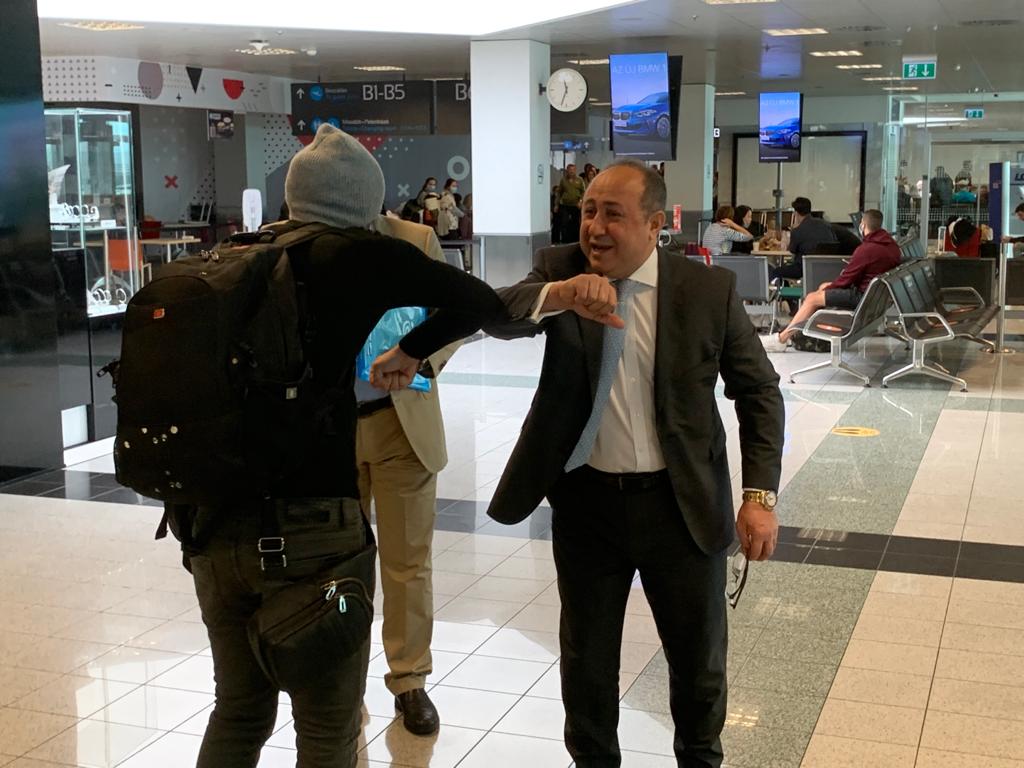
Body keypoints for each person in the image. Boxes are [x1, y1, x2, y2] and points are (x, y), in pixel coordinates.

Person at [372, 159, 785, 767]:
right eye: (589, 210)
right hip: (588, 505)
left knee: (699, 666)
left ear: (655, 225)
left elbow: (759, 391)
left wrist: (759, 497)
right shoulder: (561, 267)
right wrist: (558, 296)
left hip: (682, 507)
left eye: (613, 214)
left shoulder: (706, 290)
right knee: (587, 664)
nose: (594, 226)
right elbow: (493, 312)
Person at [177, 124, 505, 768]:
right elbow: (481, 303)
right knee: (328, 726)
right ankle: (346, 687)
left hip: (236, 508)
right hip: (321, 490)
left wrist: (412, 355)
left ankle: (408, 679)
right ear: (359, 200)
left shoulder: (244, 258)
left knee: (239, 709)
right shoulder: (357, 256)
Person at [358, 212, 462, 736]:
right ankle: (340, 678)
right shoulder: (298, 242)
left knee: (407, 564)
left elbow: (457, 314)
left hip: (402, 422)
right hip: (326, 431)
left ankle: (409, 679)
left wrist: (419, 359)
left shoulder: (414, 241)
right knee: (334, 563)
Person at [765, 209, 901, 349]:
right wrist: (830, 287)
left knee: (812, 298)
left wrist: (829, 287)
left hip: (861, 298)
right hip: (873, 298)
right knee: (822, 289)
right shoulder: (892, 247)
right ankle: (796, 333)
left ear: (863, 225)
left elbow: (846, 279)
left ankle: (781, 339)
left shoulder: (867, 249)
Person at [770, 196, 836, 284]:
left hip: (802, 269)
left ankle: (771, 291)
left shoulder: (797, 230)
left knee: (775, 271)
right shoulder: (826, 225)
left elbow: (792, 251)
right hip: (826, 267)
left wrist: (791, 234)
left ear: (796, 213)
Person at [554, 164, 586, 244]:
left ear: (575, 170)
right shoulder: (563, 180)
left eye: (573, 170)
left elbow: (583, 192)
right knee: (564, 222)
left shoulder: (580, 180)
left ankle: (575, 241)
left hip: (576, 205)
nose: (572, 171)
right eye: (570, 170)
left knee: (575, 223)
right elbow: (559, 193)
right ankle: (565, 241)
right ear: (567, 171)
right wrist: (556, 204)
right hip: (565, 205)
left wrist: (581, 201)